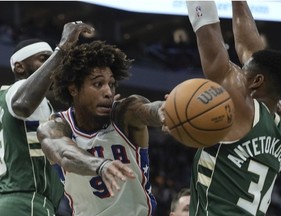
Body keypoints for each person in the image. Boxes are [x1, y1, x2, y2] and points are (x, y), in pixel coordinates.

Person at [181, 1, 281, 215]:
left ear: (257, 81)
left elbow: (207, 30)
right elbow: (251, 50)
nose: (238, 71)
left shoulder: (238, 104)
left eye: (243, 71)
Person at [36, 39, 164, 216]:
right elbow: (63, 153)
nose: (108, 92)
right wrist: (100, 165)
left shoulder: (124, 114)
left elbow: (146, 110)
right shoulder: (55, 127)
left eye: (111, 84)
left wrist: (166, 112)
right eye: (98, 84)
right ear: (73, 89)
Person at [0, 21, 95, 216]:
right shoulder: (17, 89)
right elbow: (22, 103)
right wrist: (62, 49)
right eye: (44, 59)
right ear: (19, 68)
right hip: (26, 202)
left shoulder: (14, 99)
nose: (53, 66)